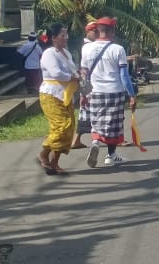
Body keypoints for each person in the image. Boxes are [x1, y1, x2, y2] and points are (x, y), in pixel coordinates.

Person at [80, 17, 136, 167]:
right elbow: (124, 75)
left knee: (97, 121)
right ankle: (111, 155)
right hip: (114, 91)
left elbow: (84, 74)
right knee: (114, 124)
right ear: (112, 30)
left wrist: (82, 94)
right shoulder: (118, 49)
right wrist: (131, 95)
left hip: (94, 92)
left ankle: (95, 142)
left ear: (98, 30)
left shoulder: (86, 48)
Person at [37, 23, 80, 176]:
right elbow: (56, 73)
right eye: (62, 35)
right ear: (53, 38)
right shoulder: (49, 53)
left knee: (69, 128)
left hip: (66, 94)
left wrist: (79, 75)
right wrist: (73, 77)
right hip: (51, 94)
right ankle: (43, 154)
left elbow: (73, 69)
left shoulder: (66, 53)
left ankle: (54, 163)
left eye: (66, 34)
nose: (66, 38)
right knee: (61, 126)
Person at [72, 20, 99, 150]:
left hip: (88, 85)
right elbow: (83, 71)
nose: (97, 34)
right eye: (95, 31)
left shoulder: (88, 46)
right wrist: (83, 91)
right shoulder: (87, 47)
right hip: (90, 84)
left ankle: (76, 140)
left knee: (86, 113)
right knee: (92, 112)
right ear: (88, 31)